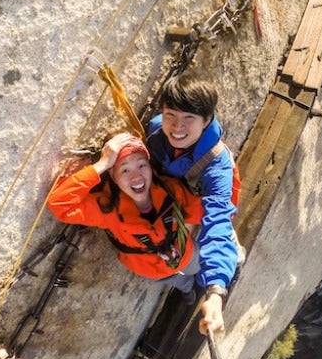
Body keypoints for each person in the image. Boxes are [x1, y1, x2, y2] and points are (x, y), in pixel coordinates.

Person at [46, 132, 225, 334]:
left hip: (185, 253)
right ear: (112, 176)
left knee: (197, 268)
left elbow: (208, 211)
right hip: (149, 269)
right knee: (179, 281)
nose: (137, 176)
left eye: (142, 165)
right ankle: (185, 288)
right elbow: (59, 203)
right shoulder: (108, 208)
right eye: (124, 170)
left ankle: (192, 285)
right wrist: (101, 164)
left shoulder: (169, 189)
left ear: (150, 166)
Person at [145, 73, 241, 335]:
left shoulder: (217, 167)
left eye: (188, 119)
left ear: (206, 120)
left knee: (213, 241)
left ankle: (225, 264)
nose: (177, 127)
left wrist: (216, 292)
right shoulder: (156, 130)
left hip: (201, 208)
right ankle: (189, 285)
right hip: (177, 199)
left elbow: (217, 219)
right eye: (171, 115)